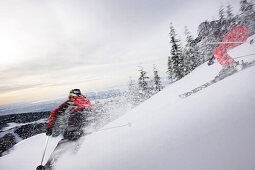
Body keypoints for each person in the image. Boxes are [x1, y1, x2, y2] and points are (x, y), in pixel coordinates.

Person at [37, 89, 96, 170]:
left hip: (78, 118)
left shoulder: (72, 100)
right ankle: (72, 162)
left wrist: (50, 127)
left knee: (64, 142)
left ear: (71, 95)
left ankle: (48, 167)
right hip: (89, 120)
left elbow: (55, 113)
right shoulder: (86, 100)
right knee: (77, 140)